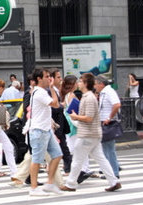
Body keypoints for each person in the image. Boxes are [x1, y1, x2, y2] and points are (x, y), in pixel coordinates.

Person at [60, 73, 121, 192]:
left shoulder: (88, 97)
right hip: (93, 133)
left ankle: (71, 183)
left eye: (81, 81)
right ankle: (114, 181)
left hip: (87, 133)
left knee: (77, 159)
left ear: (86, 83)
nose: (78, 83)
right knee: (100, 158)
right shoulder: (88, 96)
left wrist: (75, 116)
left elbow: (89, 118)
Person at [27, 68, 63, 196]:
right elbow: (55, 104)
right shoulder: (39, 92)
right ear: (39, 79)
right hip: (38, 130)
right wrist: (52, 88)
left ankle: (49, 183)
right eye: (47, 76)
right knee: (37, 159)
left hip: (45, 129)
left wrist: (51, 88)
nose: (49, 78)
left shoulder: (41, 91)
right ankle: (33, 187)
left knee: (58, 154)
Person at [95, 75, 122, 179]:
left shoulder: (109, 92)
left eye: (96, 84)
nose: (95, 86)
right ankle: (112, 171)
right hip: (105, 122)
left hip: (108, 123)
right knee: (107, 148)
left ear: (101, 84)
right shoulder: (104, 92)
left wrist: (109, 118)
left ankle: (114, 172)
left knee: (109, 149)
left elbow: (117, 105)